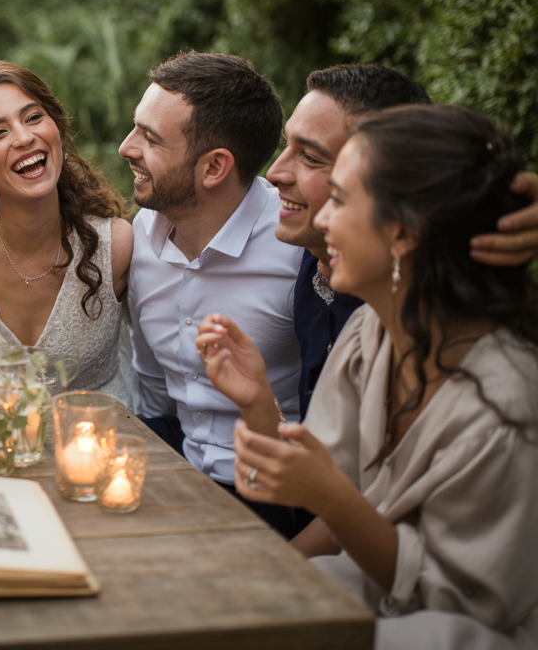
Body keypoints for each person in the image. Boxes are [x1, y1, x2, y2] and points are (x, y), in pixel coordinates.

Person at [223, 104, 538, 649]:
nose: (321, 219)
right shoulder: (371, 333)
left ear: (405, 232)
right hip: (373, 588)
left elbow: (454, 608)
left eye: (340, 200)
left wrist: (331, 499)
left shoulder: (504, 410)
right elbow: (314, 473)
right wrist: (257, 404)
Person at [119, 50, 306, 538]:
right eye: (135, 127)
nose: (126, 147)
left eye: (150, 138)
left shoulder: (298, 250)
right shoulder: (140, 235)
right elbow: (154, 389)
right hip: (171, 471)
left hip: (275, 497)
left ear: (214, 167)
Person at [0, 60, 137, 407]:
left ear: (57, 129)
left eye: (34, 117)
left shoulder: (117, 245)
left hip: (108, 445)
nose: (24, 137)